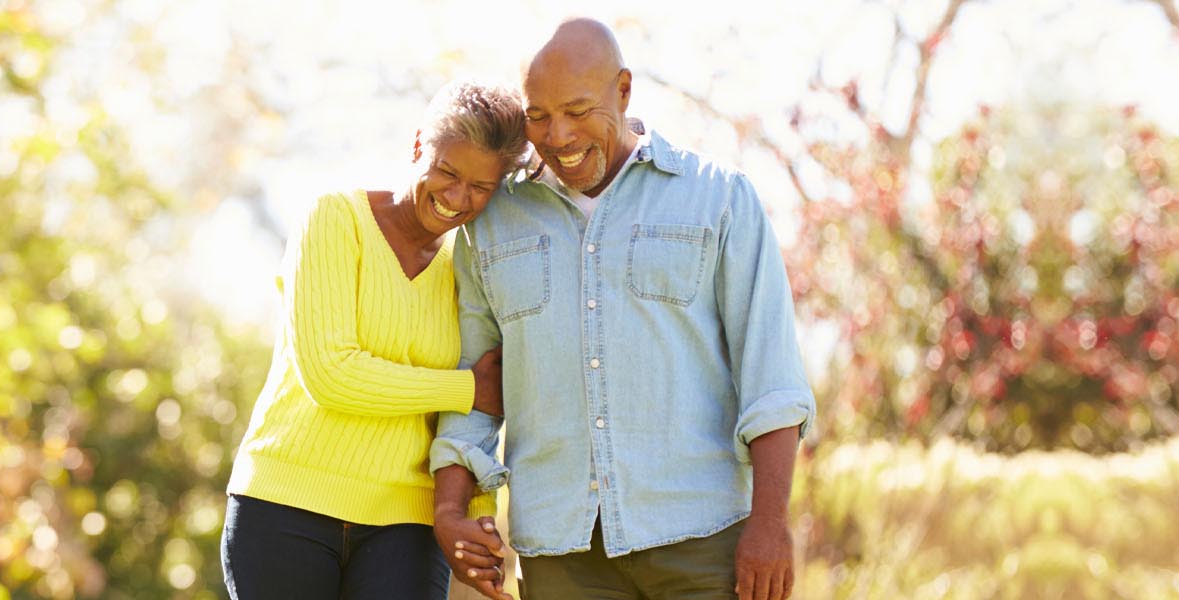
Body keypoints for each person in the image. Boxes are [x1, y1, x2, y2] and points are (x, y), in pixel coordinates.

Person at [430, 18, 817, 600]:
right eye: (537, 115)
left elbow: (771, 379)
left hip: (703, 538)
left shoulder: (718, 198)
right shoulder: (492, 222)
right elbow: (474, 384)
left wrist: (768, 524)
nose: (557, 136)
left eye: (578, 110)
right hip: (561, 550)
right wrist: (450, 507)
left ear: (624, 90)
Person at [220, 80, 528, 600]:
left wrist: (476, 518)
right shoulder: (335, 221)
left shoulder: (468, 272)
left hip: (404, 526)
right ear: (417, 147)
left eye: (480, 188)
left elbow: (480, 407)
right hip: (284, 508)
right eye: (447, 172)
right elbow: (332, 375)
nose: (457, 198)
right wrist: (461, 388)